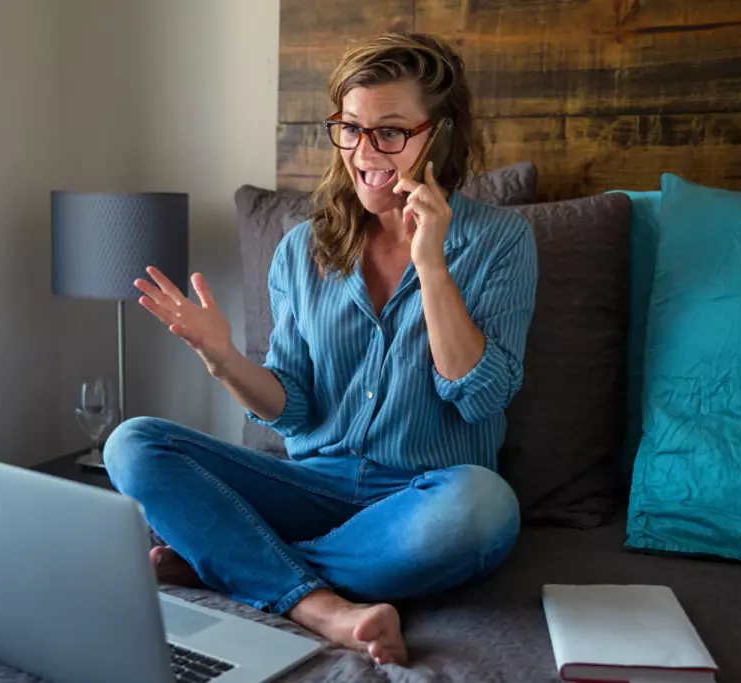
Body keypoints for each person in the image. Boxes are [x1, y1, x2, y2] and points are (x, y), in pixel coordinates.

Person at [104, 32, 537, 666]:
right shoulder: (302, 248)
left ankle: (237, 561)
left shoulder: (503, 241)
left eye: (390, 131)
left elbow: (482, 396)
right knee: (132, 443)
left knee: (486, 509)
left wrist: (433, 267)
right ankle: (323, 608)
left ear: (439, 135)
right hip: (306, 486)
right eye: (350, 128)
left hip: (423, 497)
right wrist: (222, 357)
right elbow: (295, 407)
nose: (365, 153)